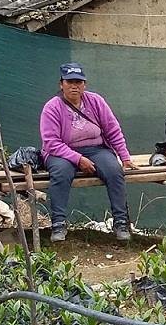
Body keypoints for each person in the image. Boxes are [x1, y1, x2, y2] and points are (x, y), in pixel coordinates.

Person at [40, 62, 134, 242]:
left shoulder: (96, 101)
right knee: (61, 172)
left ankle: (121, 221)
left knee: (114, 171)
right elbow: (51, 142)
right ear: (61, 84)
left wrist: (125, 156)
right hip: (62, 152)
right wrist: (78, 159)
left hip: (96, 149)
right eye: (69, 82)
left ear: (85, 84)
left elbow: (112, 130)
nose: (74, 86)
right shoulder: (52, 107)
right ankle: (58, 224)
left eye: (78, 82)